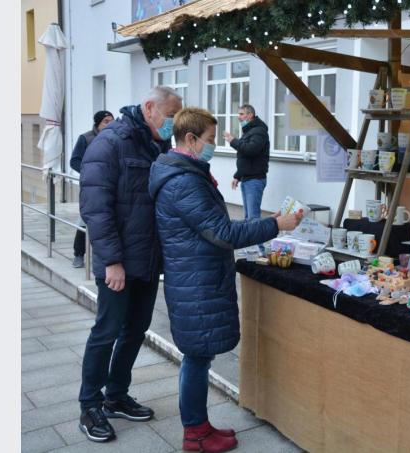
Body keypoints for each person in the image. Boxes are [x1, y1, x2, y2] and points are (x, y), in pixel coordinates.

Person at [148, 107, 302, 453]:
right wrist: (276, 225)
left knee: (198, 357)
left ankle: (199, 426)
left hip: (196, 276)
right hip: (195, 281)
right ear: (190, 140)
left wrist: (272, 221)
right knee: (197, 358)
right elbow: (222, 232)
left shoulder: (184, 172)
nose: (214, 146)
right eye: (210, 140)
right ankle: (195, 434)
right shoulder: (184, 181)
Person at [77, 86, 183, 443]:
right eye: (171, 115)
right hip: (119, 264)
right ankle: (89, 405)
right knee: (106, 332)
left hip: (149, 260)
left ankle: (116, 395)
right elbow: (95, 208)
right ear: (150, 108)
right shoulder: (110, 143)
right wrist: (112, 262)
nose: (173, 123)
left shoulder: (157, 145)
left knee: (135, 331)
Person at [69, 110, 114, 268]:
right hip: (91, 187)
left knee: (106, 220)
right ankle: (79, 254)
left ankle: (102, 255)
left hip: (110, 186)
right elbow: (74, 160)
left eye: (112, 121)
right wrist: (90, 173)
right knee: (85, 220)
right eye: (106, 121)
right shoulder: (86, 138)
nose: (110, 124)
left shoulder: (115, 138)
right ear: (98, 123)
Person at [223, 104, 269, 220]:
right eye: (239, 114)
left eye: (241, 114)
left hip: (255, 180)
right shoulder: (249, 131)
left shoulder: (259, 131)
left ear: (250, 115)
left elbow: (250, 150)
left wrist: (233, 141)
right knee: (248, 217)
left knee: (253, 218)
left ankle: (256, 238)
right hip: (247, 178)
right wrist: (237, 176)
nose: (239, 117)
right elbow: (246, 158)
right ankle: (250, 238)